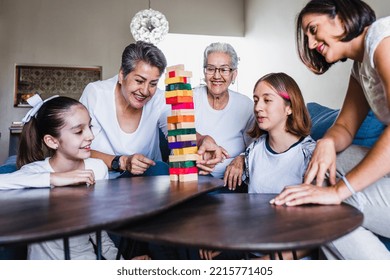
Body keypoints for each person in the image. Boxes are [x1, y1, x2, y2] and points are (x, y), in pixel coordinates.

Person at [271, 0, 390, 260]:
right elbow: (346, 126)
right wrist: (326, 144)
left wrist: (337, 192)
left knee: (322, 204)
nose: (311, 44)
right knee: (322, 171)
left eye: (313, 29)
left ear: (342, 15)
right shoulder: (361, 65)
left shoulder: (384, 40)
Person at [199, 72, 316, 260]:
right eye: (255, 100)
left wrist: (264, 262)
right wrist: (225, 240)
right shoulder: (254, 150)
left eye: (267, 100)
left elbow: (319, 233)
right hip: (250, 248)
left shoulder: (311, 155)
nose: (258, 107)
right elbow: (243, 208)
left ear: (289, 107)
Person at [0, 95, 123, 260]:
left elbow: (97, 229)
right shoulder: (35, 172)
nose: (91, 136)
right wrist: (54, 178)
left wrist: (121, 263)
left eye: (90, 126)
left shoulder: (98, 168)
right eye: (79, 131)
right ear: (52, 141)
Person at [80, 40, 223, 179]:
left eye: (153, 83)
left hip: (147, 180)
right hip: (103, 179)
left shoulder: (159, 99)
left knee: (162, 169)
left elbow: (178, 130)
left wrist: (203, 140)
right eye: (139, 81)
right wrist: (122, 162)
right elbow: (75, 148)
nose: (145, 91)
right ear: (122, 75)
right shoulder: (96, 94)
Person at [193, 42, 255, 188]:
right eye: (211, 69)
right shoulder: (189, 98)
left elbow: (256, 147)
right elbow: (175, 136)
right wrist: (200, 142)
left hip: (231, 182)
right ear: (204, 72)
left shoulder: (246, 105)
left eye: (224, 70)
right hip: (195, 179)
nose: (216, 76)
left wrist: (241, 159)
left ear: (234, 74)